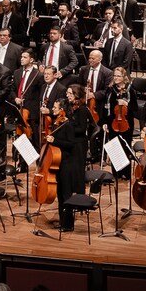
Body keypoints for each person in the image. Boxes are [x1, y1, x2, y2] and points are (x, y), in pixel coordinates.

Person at [50, 86, 89, 231]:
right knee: (60, 194)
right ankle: (63, 221)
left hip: (68, 163)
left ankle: (68, 224)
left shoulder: (68, 124)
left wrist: (54, 141)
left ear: (62, 110)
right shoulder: (60, 122)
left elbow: (70, 144)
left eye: (55, 107)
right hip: (61, 162)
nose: (52, 109)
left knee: (66, 195)